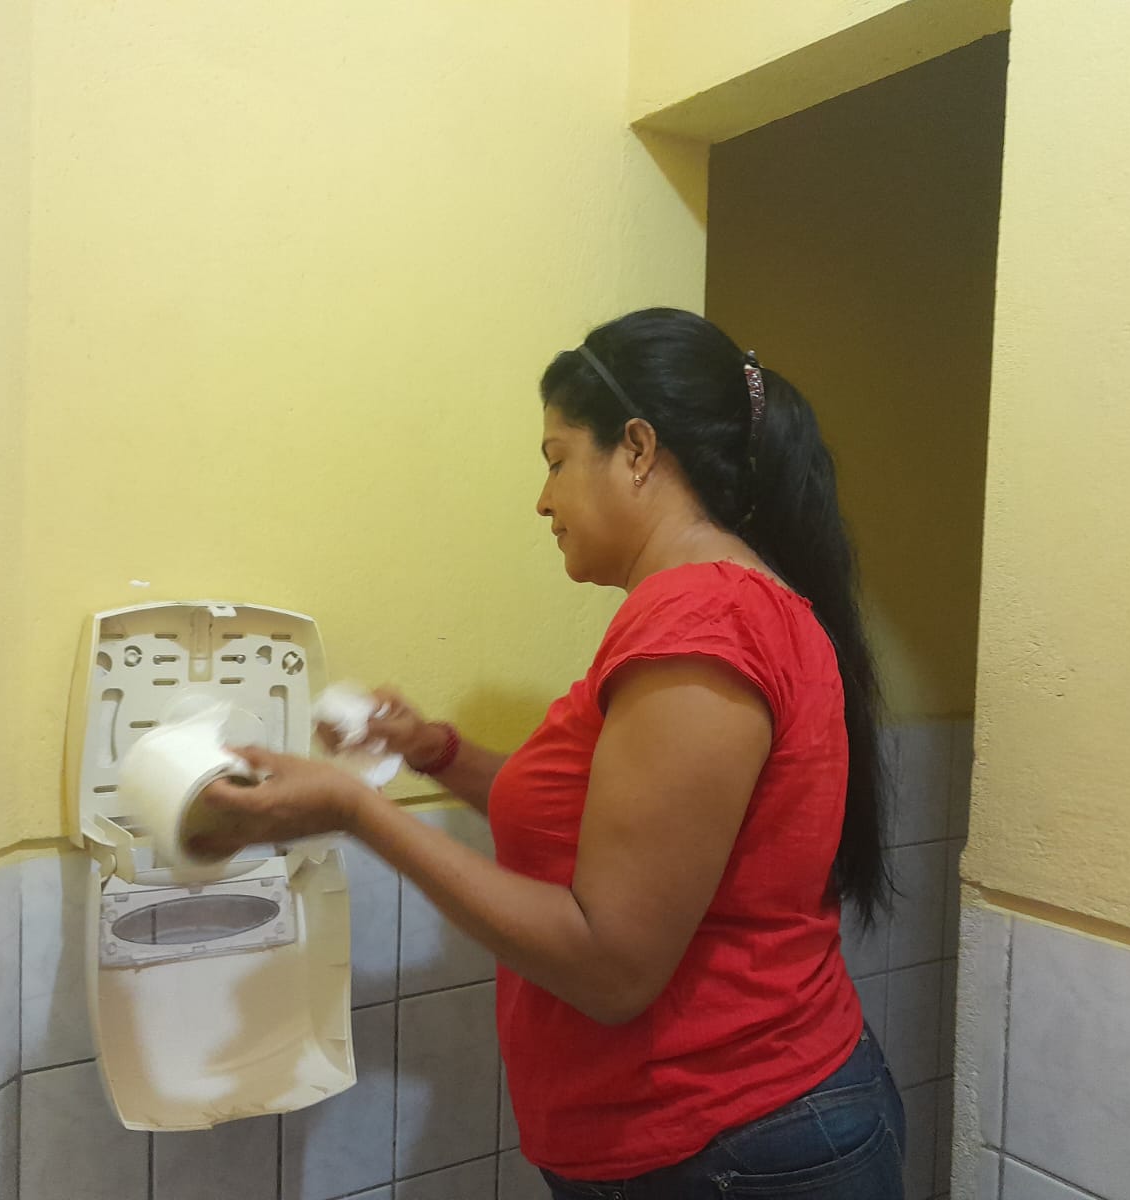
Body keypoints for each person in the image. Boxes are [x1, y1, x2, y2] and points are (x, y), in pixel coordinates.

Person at [194, 308, 906, 1199]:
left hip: (734, 1146)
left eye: (557, 459)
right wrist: (433, 750)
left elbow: (612, 966)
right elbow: (605, 826)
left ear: (636, 449)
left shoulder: (703, 622)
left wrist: (352, 810)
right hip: (717, 1140)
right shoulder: (714, 611)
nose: (543, 499)